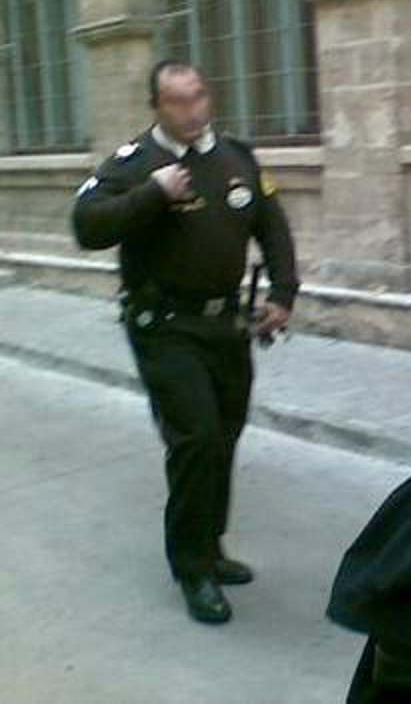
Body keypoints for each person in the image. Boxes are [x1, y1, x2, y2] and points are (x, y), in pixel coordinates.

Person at [72, 60, 298, 625]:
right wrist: (154, 193)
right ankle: (191, 567)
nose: (192, 110)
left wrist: (283, 294)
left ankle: (210, 545)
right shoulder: (135, 162)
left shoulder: (236, 157)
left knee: (224, 436)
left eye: (198, 96)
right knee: (196, 437)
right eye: (177, 101)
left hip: (226, 325)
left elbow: (273, 227)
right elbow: (87, 226)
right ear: (157, 107)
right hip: (165, 326)